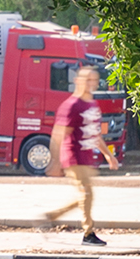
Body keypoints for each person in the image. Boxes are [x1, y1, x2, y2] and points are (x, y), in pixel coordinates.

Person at [43, 65, 119, 245]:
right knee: (87, 194)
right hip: (73, 156)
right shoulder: (71, 105)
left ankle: (50, 217)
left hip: (87, 157)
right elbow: (59, 133)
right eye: (87, 80)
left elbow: (95, 134)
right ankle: (88, 234)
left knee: (84, 196)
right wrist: (55, 162)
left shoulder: (92, 104)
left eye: (93, 80)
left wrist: (108, 155)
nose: (90, 84)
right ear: (77, 81)